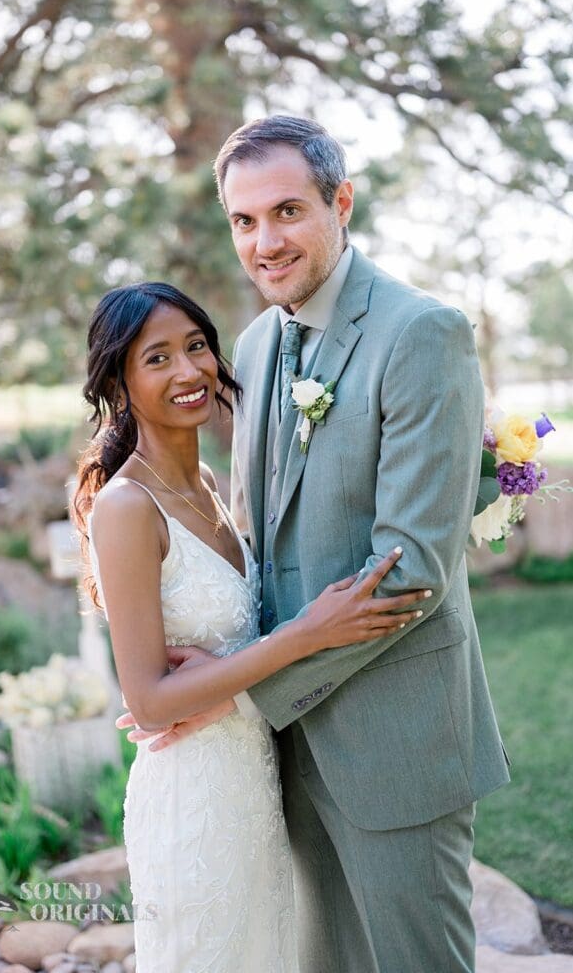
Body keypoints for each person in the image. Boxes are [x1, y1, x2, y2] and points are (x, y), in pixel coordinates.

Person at [121, 117, 511, 973]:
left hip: (396, 745)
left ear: (341, 203)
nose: (264, 243)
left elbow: (408, 573)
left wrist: (241, 691)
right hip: (282, 761)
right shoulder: (256, 345)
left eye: (287, 211)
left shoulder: (421, 333)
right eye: (244, 221)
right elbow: (260, 541)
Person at [72, 281, 428, 973]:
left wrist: (238, 680)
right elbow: (149, 701)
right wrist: (306, 634)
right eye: (157, 358)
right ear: (118, 384)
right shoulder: (126, 507)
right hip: (193, 797)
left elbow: (231, 650)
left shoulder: (207, 482)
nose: (189, 371)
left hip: (255, 783)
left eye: (196, 346)